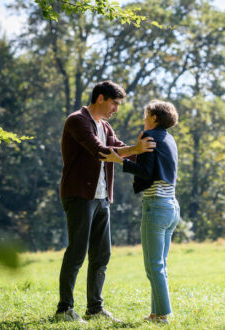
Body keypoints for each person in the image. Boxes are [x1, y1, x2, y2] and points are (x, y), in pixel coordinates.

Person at [55, 80, 156, 323]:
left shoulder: (105, 126)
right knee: (77, 252)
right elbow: (100, 150)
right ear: (100, 98)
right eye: (114, 103)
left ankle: (95, 308)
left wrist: (142, 150)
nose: (116, 108)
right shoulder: (77, 120)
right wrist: (136, 148)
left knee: (102, 254)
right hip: (79, 195)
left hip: (102, 198)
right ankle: (64, 309)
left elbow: (118, 147)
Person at [101, 100, 179, 324]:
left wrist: (119, 160)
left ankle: (163, 314)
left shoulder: (149, 136)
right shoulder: (169, 139)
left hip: (156, 206)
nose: (143, 118)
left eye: (146, 114)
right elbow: (154, 169)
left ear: (154, 117)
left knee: (153, 266)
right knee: (160, 265)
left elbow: (145, 172)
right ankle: (155, 314)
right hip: (171, 206)